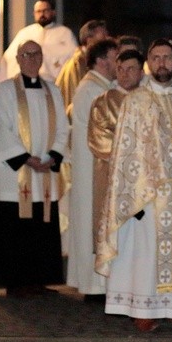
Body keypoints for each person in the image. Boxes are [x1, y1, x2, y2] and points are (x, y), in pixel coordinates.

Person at [95, 38, 172, 332]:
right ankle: (144, 309)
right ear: (147, 64)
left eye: (167, 58)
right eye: (156, 58)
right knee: (146, 253)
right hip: (148, 193)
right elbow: (124, 155)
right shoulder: (135, 101)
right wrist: (132, 196)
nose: (162, 63)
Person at [0, 40, 70, 297]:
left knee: (40, 228)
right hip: (15, 177)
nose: (32, 59)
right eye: (27, 54)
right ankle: (16, 282)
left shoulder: (52, 91)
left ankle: (39, 280)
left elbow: (63, 128)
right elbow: (1, 129)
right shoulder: (4, 91)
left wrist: (53, 156)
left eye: (37, 54)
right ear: (19, 59)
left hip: (43, 172)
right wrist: (26, 159)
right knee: (16, 228)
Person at [66, 38, 119, 302]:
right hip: (93, 169)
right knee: (92, 224)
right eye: (114, 56)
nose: (118, 62)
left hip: (98, 167)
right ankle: (94, 285)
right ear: (101, 60)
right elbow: (102, 130)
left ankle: (100, 284)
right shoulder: (90, 90)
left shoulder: (103, 87)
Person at [88, 49, 146, 259]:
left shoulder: (151, 102)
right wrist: (134, 158)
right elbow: (98, 140)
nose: (124, 74)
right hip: (112, 179)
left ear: (141, 72)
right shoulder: (102, 102)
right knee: (117, 240)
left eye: (131, 69)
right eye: (120, 69)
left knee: (143, 242)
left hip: (145, 183)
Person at [0, 0, 77, 82]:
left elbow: (74, 59)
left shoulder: (64, 33)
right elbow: (8, 57)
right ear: (34, 13)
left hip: (54, 82)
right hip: (27, 82)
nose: (42, 14)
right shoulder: (25, 33)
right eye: (38, 11)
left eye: (45, 11)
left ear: (53, 12)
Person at [56, 19, 110, 112]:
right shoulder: (77, 64)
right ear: (89, 40)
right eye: (103, 37)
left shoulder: (94, 61)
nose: (107, 39)